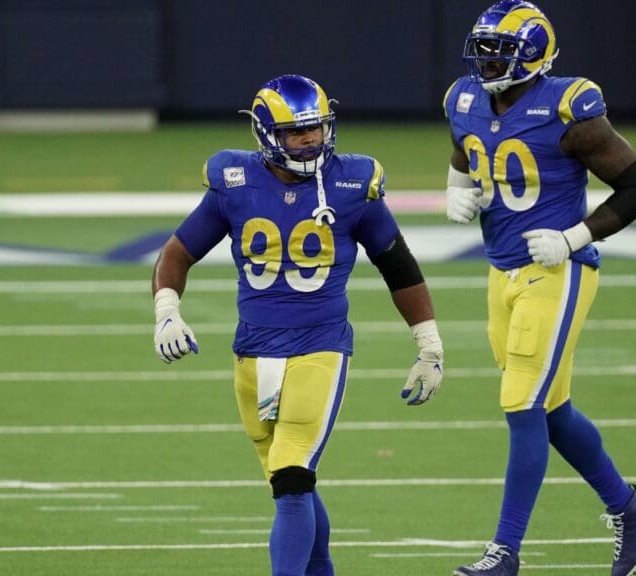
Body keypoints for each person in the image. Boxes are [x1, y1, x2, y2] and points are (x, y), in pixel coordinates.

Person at [152, 74, 445, 576]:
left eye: (316, 128)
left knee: (291, 478)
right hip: (252, 350)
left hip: (320, 347)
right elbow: (179, 251)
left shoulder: (353, 183)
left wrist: (428, 343)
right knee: (292, 481)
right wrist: (166, 310)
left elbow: (396, 262)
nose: (310, 140)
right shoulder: (234, 181)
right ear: (267, 134)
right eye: (297, 132)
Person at [442, 2, 636, 576]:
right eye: (482, 51)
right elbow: (465, 147)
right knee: (550, 408)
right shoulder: (463, 97)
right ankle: (629, 505)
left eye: (499, 52)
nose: (486, 63)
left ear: (534, 55)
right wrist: (457, 184)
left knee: (520, 405)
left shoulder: (569, 107)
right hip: (502, 269)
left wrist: (574, 236)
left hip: (559, 272)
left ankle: (505, 552)